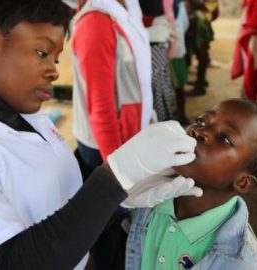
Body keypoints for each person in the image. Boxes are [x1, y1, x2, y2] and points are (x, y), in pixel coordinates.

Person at [0, 1, 203, 270]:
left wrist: (120, 201)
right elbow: (9, 264)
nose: (55, 71)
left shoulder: (29, 118)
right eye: (42, 52)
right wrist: (111, 181)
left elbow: (58, 208)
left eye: (55, 58)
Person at [125, 99, 257, 270]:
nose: (200, 131)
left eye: (225, 138)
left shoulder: (246, 264)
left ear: (242, 182)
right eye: (201, 121)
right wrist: (121, 192)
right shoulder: (147, 197)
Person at [71, 1, 154, 268]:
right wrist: (118, 174)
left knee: (122, 230)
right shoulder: (96, 21)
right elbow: (101, 108)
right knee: (109, 236)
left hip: (127, 140)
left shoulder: (126, 9)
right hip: (106, 150)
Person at [184, 0, 214, 96]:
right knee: (202, 55)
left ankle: (200, 86)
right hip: (200, 20)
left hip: (198, 23)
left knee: (202, 56)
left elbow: (198, 4)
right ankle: (201, 82)